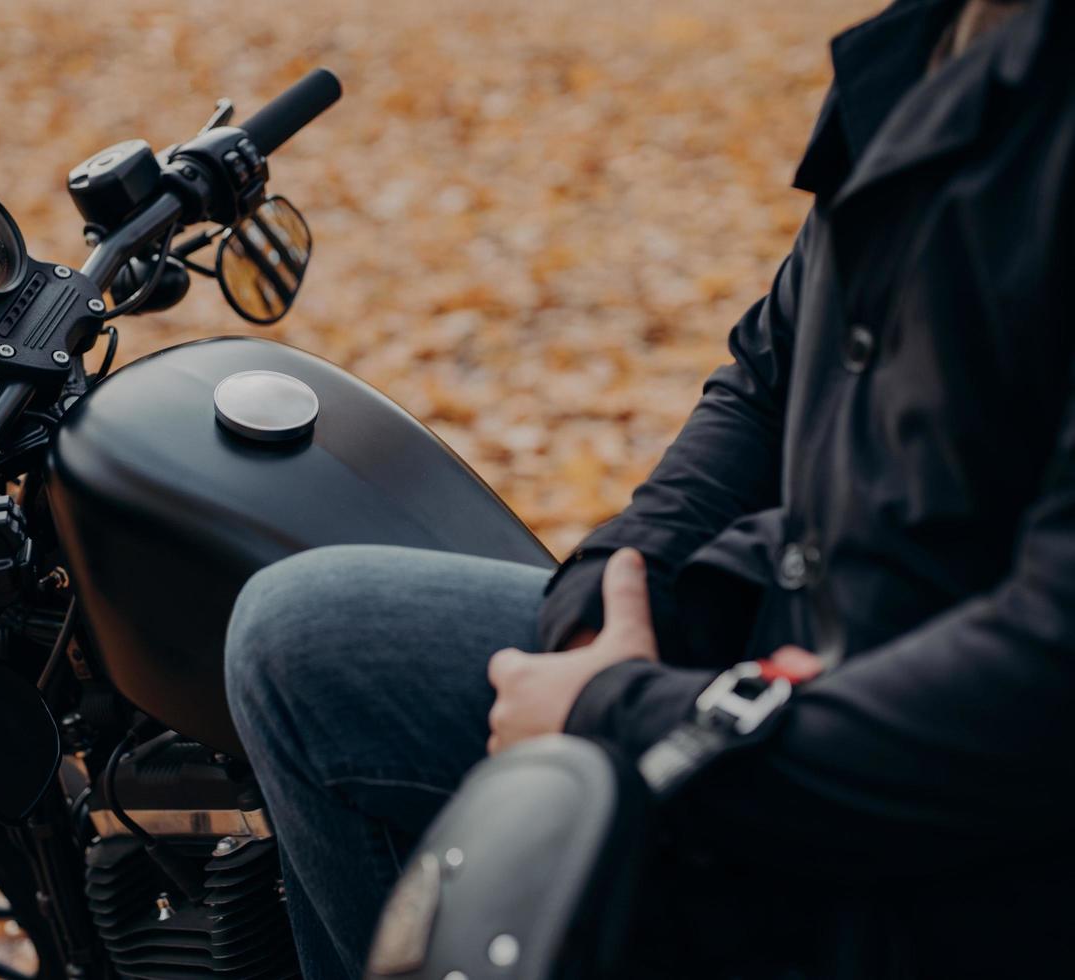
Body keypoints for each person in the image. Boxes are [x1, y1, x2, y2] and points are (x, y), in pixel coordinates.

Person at [224, 0, 1075, 976]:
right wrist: (616, 602)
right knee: (308, 641)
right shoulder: (933, 39)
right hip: (779, 653)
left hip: (936, 823)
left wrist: (620, 718)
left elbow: (1049, 679)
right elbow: (767, 378)